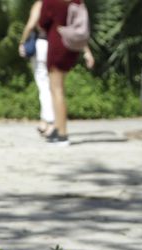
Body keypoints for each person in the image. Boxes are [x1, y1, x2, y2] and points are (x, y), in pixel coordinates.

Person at [39, 0, 95, 145]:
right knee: (57, 89)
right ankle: (57, 128)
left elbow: (42, 22)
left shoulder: (51, 1)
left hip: (57, 43)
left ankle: (62, 133)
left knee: (56, 90)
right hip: (70, 47)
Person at [18, 1, 55, 137]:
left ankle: (51, 122)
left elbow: (30, 25)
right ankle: (44, 122)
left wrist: (22, 42)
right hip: (56, 46)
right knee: (53, 87)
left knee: (44, 86)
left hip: (42, 46)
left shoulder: (40, 4)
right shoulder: (61, 4)